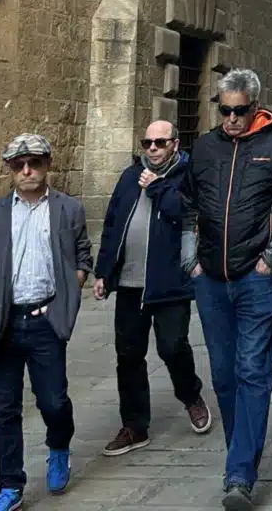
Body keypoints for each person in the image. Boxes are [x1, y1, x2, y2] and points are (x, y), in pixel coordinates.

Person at [181, 68, 272, 511]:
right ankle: (241, 454)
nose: (232, 119)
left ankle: (239, 475)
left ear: (254, 107)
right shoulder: (204, 147)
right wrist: (191, 261)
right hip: (210, 280)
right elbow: (188, 205)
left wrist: (271, 259)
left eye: (239, 111)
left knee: (252, 371)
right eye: (225, 111)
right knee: (223, 375)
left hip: (256, 279)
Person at [0, 134, 92, 511]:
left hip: (46, 321)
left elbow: (82, 257)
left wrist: (66, 298)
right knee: (4, 408)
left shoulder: (69, 209)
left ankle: (59, 447)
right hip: (2, 322)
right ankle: (10, 484)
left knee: (53, 401)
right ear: (9, 169)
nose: (26, 170)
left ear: (47, 164)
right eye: (18, 164)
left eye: (34, 162)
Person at [93, 120, 211, 457]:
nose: (153, 149)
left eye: (160, 142)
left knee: (173, 347)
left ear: (175, 143)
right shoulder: (130, 176)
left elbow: (187, 214)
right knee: (128, 355)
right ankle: (135, 426)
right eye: (147, 143)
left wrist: (158, 187)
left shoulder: (188, 175)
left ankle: (191, 395)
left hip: (170, 282)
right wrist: (103, 272)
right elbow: (113, 224)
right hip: (130, 283)